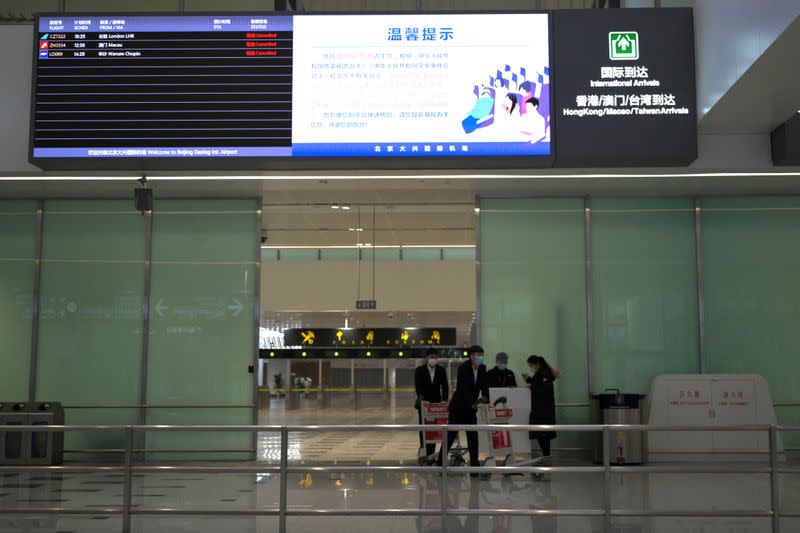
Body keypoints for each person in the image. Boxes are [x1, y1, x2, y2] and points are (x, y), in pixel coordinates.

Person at [438, 345, 488, 474]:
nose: (481, 358)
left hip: (471, 409)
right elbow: (463, 388)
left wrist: (487, 401)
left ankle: (475, 467)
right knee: (450, 435)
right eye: (478, 355)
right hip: (458, 407)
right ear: (471, 356)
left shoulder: (482, 368)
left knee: (473, 437)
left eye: (482, 355)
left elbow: (484, 386)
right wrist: (473, 403)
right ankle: (440, 464)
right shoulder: (463, 368)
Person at [523, 355, 559, 472]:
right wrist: (529, 380)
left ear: (537, 364)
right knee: (542, 436)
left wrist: (531, 386)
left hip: (543, 411)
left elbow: (543, 390)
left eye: (531, 366)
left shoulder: (545, 374)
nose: (531, 368)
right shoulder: (541, 373)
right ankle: (546, 457)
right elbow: (538, 384)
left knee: (544, 436)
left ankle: (547, 458)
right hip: (541, 410)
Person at [414, 348, 449, 457]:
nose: (433, 359)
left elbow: (445, 386)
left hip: (436, 404)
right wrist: (422, 398)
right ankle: (423, 448)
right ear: (426, 358)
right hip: (424, 404)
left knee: (434, 427)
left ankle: (431, 452)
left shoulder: (441, 370)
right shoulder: (419, 370)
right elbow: (418, 386)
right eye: (431, 357)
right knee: (424, 427)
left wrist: (444, 399)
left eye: (435, 357)